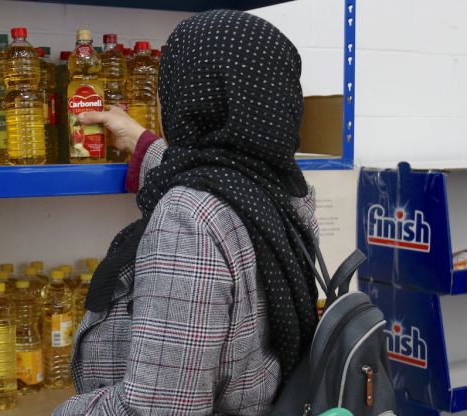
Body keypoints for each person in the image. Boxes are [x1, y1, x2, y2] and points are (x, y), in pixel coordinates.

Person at [54, 9, 319, 416]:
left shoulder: (190, 219)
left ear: (193, 97)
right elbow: (215, 180)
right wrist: (141, 141)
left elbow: (158, 409)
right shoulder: (280, 190)